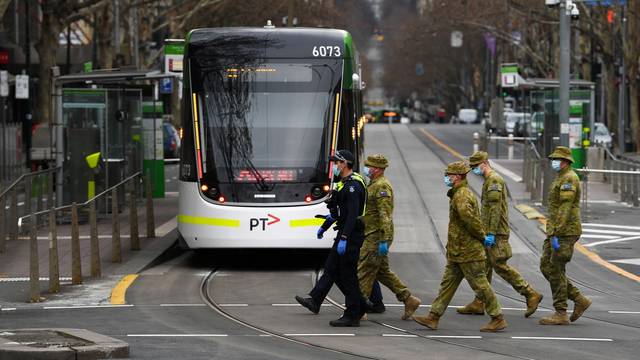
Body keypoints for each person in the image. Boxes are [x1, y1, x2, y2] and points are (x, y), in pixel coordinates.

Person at [413, 161, 507, 332]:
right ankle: (433, 317)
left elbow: (470, 220)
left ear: (457, 177)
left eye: (448, 175)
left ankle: (497, 317)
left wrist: (482, 236)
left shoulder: (462, 195)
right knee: (447, 284)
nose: (446, 178)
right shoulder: (458, 193)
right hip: (458, 251)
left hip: (468, 251)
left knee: (480, 284)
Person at [458, 151, 543, 318]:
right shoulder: (489, 180)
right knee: (485, 267)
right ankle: (480, 301)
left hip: (496, 232)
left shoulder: (494, 180)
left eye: (476, 166)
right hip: (490, 231)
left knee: (500, 265)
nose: (474, 170)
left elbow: (495, 210)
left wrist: (490, 234)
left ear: (484, 163)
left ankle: (530, 293)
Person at [295, 149, 369, 327]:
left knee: (347, 274)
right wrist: (328, 222)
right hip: (345, 231)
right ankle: (355, 304)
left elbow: (352, 215)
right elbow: (341, 211)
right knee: (331, 268)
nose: (335, 166)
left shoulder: (353, 186)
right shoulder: (343, 183)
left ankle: (353, 313)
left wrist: (344, 237)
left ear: (344, 164)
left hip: (350, 234)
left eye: (337, 163)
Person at [358, 154, 421, 320]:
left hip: (377, 235)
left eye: (369, 166)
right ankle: (408, 299)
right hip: (373, 233)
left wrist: (384, 240)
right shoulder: (374, 184)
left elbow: (385, 215)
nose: (366, 169)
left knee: (364, 270)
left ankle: (358, 307)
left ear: (377, 169)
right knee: (382, 272)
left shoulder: (382, 186)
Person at [539, 146, 591, 325]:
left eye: (557, 159)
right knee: (546, 266)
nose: (553, 161)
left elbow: (565, 208)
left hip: (564, 231)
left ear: (566, 161)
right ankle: (578, 298)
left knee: (556, 268)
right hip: (556, 230)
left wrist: (556, 232)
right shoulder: (561, 176)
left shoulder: (569, 178)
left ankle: (560, 312)